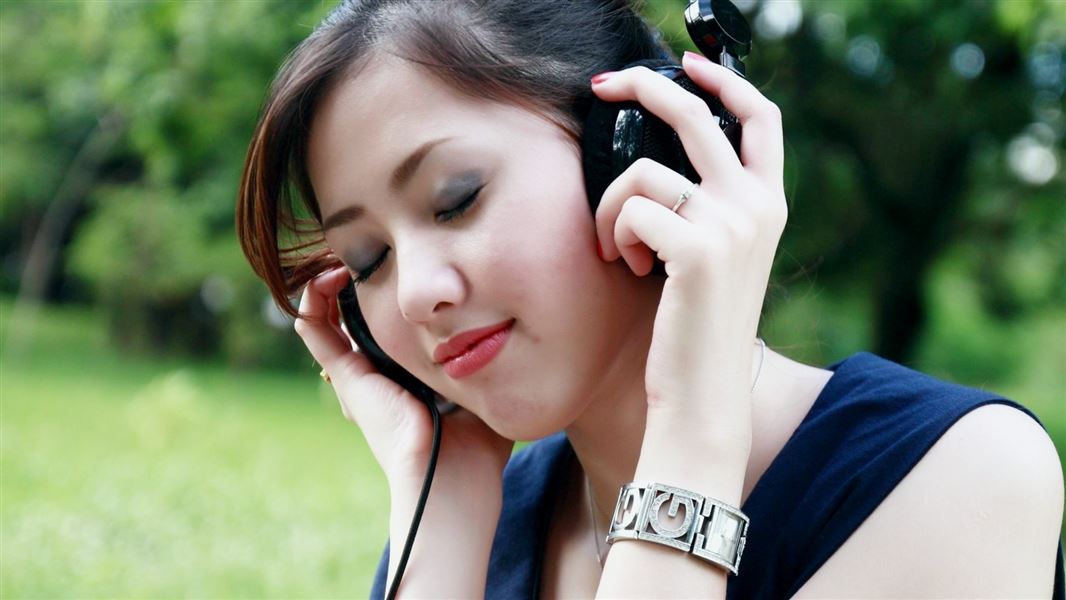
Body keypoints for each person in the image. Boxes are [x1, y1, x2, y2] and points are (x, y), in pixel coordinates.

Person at [235, 0, 1064, 597]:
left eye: (456, 198)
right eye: (369, 258)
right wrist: (444, 496)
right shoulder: (484, 518)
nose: (414, 294)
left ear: (639, 146)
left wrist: (694, 429)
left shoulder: (963, 478)